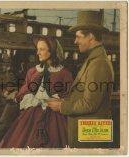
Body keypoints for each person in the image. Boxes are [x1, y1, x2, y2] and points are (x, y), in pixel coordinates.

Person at [47, 11, 114, 148]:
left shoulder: (99, 63)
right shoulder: (94, 60)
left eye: (78, 37)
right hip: (89, 133)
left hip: (90, 136)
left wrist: (61, 106)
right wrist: (63, 101)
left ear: (90, 37)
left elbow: (90, 104)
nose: (75, 41)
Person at [0, 35, 73, 148]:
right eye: (37, 49)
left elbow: (69, 97)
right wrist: (31, 99)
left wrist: (57, 100)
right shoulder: (32, 71)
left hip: (55, 118)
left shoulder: (65, 73)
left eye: (42, 49)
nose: (38, 53)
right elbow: (22, 93)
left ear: (52, 51)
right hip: (31, 116)